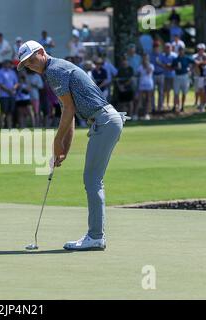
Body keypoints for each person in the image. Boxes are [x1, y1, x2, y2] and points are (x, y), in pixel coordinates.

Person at [17, 40, 128, 251]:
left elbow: (68, 109)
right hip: (104, 121)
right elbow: (70, 112)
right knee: (93, 178)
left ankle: (95, 237)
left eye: (32, 60)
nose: (31, 66)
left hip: (104, 121)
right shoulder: (56, 69)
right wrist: (64, 150)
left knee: (92, 179)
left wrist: (56, 141)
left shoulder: (55, 71)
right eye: (27, 65)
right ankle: (96, 236)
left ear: (41, 52)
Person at [172, 47, 195, 112]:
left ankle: (182, 106)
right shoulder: (176, 59)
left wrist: (191, 70)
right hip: (177, 76)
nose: (181, 52)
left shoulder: (187, 58)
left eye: (182, 51)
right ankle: (176, 106)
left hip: (185, 76)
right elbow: (172, 67)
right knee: (176, 92)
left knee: (184, 92)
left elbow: (194, 63)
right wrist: (176, 67)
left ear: (183, 51)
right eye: (180, 51)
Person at [0, 60, 18, 129]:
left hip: (12, 95)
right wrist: (8, 90)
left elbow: (16, 83)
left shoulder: (12, 72)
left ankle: (9, 127)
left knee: (10, 112)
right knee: (3, 111)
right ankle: (1, 126)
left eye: (8, 63)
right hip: (4, 95)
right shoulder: (0, 72)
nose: (7, 65)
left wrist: (13, 89)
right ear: (3, 64)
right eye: (5, 63)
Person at [193, 43, 206, 110]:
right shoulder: (194, 56)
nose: (201, 50)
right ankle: (200, 104)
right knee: (199, 91)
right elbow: (195, 64)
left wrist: (200, 62)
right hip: (199, 76)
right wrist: (202, 62)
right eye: (199, 49)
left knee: (205, 91)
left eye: (202, 49)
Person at [160, 43, 177, 111]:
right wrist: (165, 65)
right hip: (164, 75)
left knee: (172, 91)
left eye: (168, 47)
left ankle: (170, 104)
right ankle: (163, 104)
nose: (167, 48)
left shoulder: (174, 55)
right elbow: (160, 63)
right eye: (166, 47)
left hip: (172, 75)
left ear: (171, 48)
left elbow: (175, 64)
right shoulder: (162, 55)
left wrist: (169, 65)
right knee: (164, 90)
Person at [137, 54, 155, 120]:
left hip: (149, 84)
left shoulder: (151, 66)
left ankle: (146, 114)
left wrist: (146, 65)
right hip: (141, 84)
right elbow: (138, 73)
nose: (145, 59)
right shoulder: (140, 66)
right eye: (144, 58)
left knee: (148, 99)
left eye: (146, 58)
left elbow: (148, 72)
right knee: (140, 99)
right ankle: (138, 114)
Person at [150, 42, 165, 112]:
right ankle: (153, 107)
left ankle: (160, 107)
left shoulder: (162, 55)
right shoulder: (150, 56)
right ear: (153, 48)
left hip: (161, 74)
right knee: (152, 92)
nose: (156, 48)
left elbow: (165, 66)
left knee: (161, 92)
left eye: (157, 47)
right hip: (153, 75)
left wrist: (159, 63)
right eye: (155, 47)